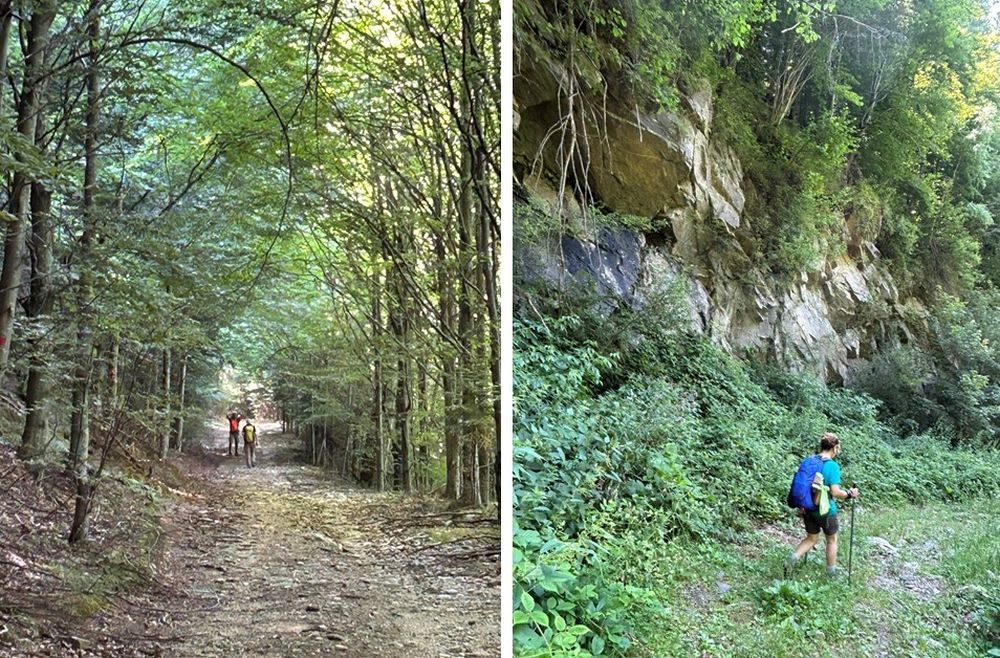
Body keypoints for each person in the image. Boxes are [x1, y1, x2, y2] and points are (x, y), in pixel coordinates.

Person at [785, 432, 860, 578]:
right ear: (835, 448)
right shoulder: (832, 466)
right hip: (825, 510)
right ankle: (831, 573)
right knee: (832, 540)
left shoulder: (809, 460)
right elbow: (836, 492)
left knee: (812, 538)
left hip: (807, 508)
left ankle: (791, 560)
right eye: (839, 448)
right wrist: (850, 494)